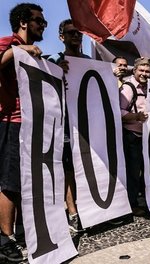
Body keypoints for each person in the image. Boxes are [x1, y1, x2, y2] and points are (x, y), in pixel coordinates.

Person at [0, 3, 46, 261]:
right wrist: (20, 49)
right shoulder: (9, 42)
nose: (42, 26)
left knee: (21, 181)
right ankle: (5, 241)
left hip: (31, 124)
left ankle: (18, 232)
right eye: (39, 21)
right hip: (11, 120)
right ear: (24, 22)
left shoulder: (35, 53)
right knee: (9, 182)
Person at [48, 18, 90, 233]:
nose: (76, 36)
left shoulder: (88, 61)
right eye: (71, 33)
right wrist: (55, 72)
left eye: (78, 33)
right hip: (64, 126)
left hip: (87, 125)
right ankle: (72, 212)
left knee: (85, 168)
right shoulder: (54, 60)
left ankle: (88, 209)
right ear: (61, 37)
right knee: (68, 171)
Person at [120, 57, 150, 216]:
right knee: (133, 172)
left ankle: (142, 199)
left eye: (147, 71)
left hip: (144, 136)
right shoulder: (128, 87)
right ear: (135, 70)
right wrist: (136, 117)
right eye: (141, 70)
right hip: (131, 135)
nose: (144, 74)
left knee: (143, 170)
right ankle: (130, 205)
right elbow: (118, 111)